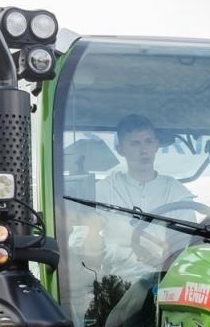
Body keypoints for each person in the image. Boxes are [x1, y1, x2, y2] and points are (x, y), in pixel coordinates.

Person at [83, 114, 195, 275]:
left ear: (156, 145)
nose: (143, 150)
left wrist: (162, 256)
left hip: (166, 277)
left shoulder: (176, 192)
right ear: (121, 150)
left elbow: (186, 245)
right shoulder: (104, 190)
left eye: (148, 142)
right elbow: (83, 243)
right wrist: (128, 255)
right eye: (135, 143)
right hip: (117, 281)